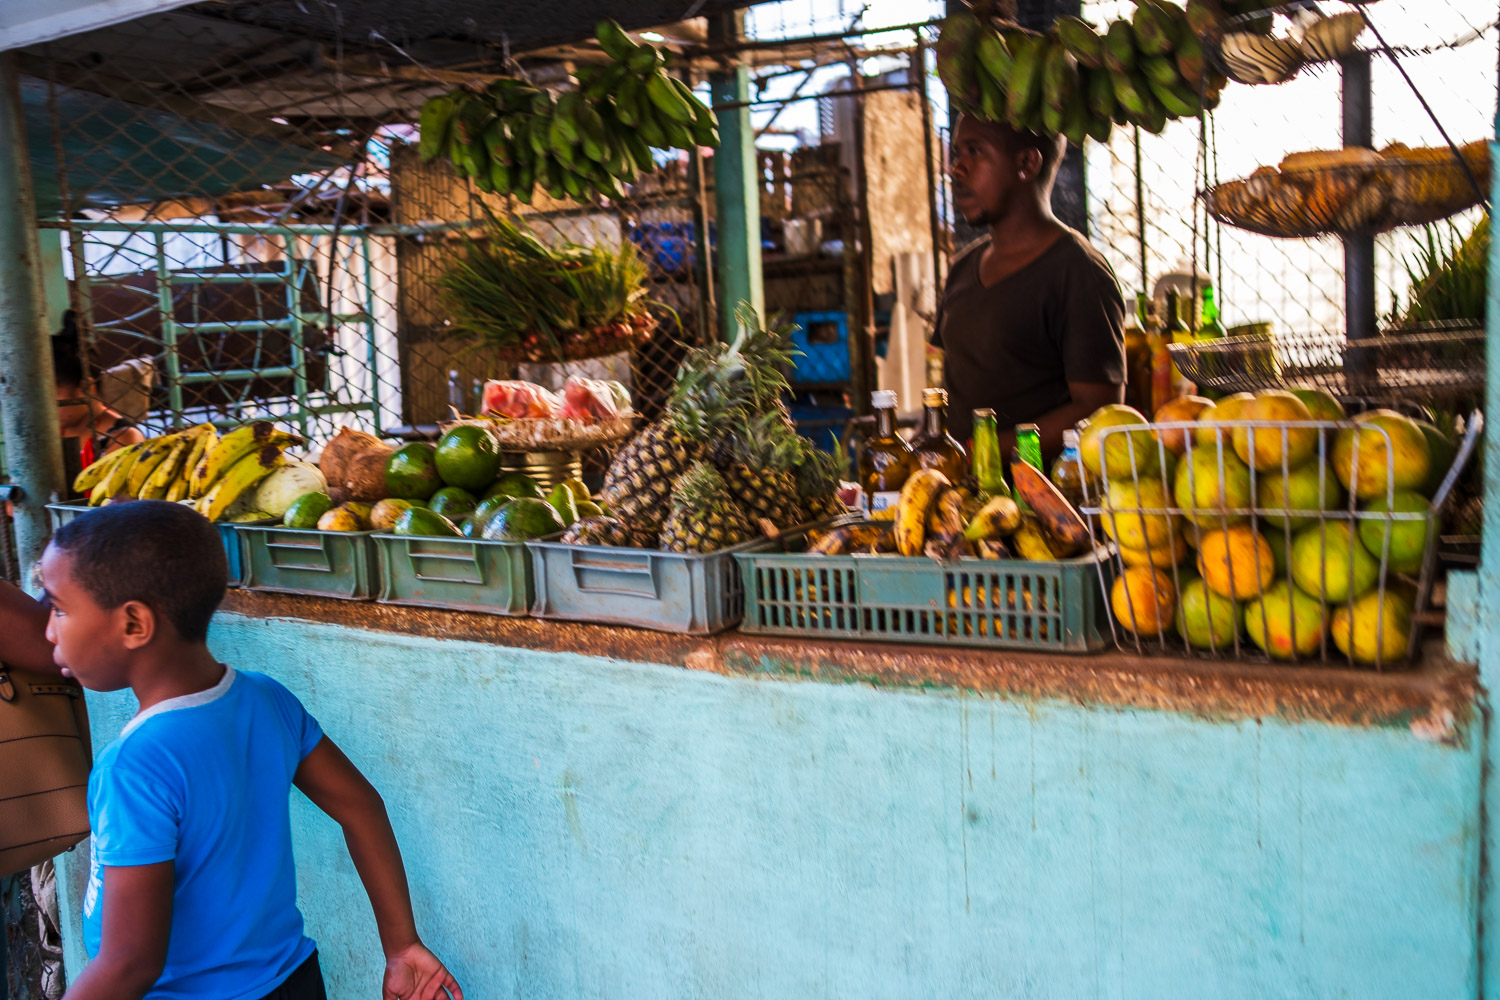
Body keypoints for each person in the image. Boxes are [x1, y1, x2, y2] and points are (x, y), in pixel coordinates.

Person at [37, 501, 462, 1000]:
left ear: (135, 624)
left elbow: (129, 964)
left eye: (60, 609)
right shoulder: (265, 699)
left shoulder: (132, 767)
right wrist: (401, 946)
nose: (49, 630)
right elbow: (361, 807)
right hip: (293, 983)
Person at [935, 114, 1127, 461]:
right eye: (958, 152)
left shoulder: (1077, 271)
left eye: (975, 152)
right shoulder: (962, 269)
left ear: (1026, 164)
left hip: (1043, 489)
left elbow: (1099, 410)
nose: (956, 169)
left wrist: (983, 453)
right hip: (961, 485)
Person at [53, 313, 145, 469]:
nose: (42, 409)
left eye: (52, 397)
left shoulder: (122, 438)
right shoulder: (54, 432)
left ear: (86, 388)